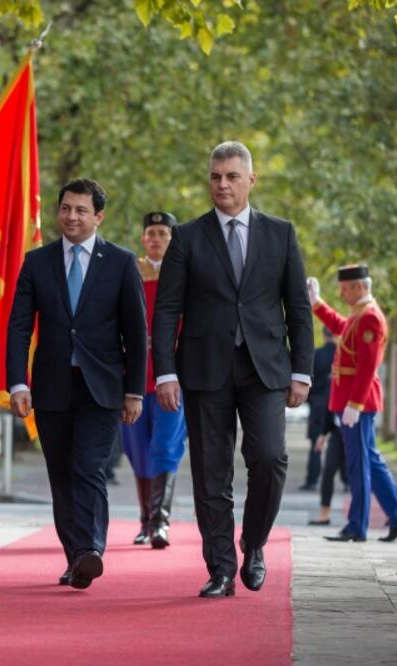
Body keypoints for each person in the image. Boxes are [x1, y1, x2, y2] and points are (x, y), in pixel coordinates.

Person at [152, 141, 313, 599]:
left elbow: (298, 309)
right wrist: (165, 373)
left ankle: (255, 543)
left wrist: (302, 371)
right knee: (210, 472)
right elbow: (166, 310)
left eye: (231, 176)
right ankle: (220, 567)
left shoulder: (281, 234)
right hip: (204, 370)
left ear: (250, 179)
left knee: (269, 458)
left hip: (265, 369)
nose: (222, 184)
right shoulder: (187, 236)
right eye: (215, 177)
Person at [7, 178, 147, 590]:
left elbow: (136, 333)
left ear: (98, 216)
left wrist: (134, 390)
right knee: (62, 476)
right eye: (66, 208)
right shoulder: (37, 262)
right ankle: (76, 558)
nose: (71, 216)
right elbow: (18, 328)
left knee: (89, 468)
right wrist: (17, 382)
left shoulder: (121, 262)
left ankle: (90, 549)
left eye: (81, 210)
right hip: (51, 386)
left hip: (102, 387)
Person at [309, 265, 397, 543]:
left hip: (358, 402)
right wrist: (317, 304)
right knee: (369, 460)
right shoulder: (360, 316)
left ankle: (357, 525)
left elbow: (368, 367)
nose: (342, 294)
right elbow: (338, 326)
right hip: (352, 401)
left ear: (359, 287)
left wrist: (354, 404)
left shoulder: (371, 319)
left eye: (345, 289)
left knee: (359, 465)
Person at [121, 211, 186, 549]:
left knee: (166, 445)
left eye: (163, 232)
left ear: (172, 239)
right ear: (143, 239)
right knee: (136, 447)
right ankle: (145, 521)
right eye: (151, 233)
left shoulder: (185, 276)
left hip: (171, 372)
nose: (157, 238)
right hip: (134, 372)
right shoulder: (129, 271)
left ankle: (161, 522)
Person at [301, 328, 336, 491]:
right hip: (337, 403)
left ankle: (312, 480)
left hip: (318, 404)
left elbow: (309, 378)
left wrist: (311, 399)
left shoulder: (317, 355)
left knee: (315, 444)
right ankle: (347, 481)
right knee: (341, 443)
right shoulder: (342, 355)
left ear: (323, 335)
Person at [308, 407, 348, 526]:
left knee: (361, 472)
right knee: (328, 470)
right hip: (337, 430)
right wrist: (323, 433)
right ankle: (324, 515)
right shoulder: (332, 388)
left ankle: (391, 512)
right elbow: (330, 405)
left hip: (355, 426)